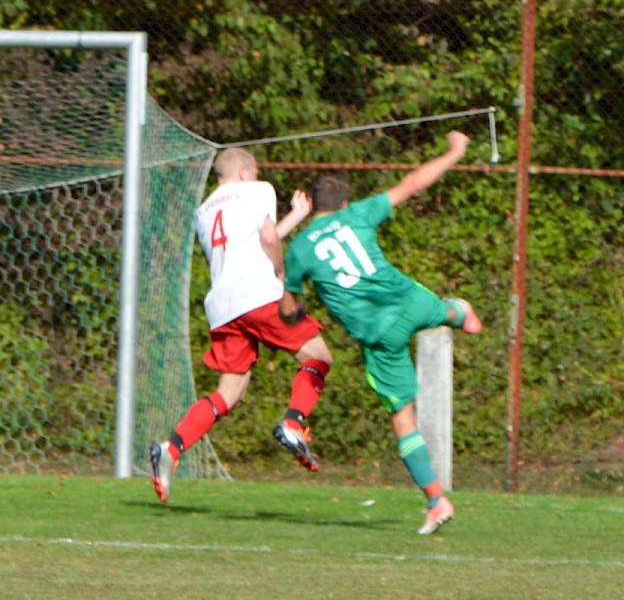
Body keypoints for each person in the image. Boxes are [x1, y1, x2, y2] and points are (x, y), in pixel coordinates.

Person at [281, 130, 482, 535]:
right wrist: (455, 151)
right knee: (438, 310)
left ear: (312, 207)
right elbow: (413, 183)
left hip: (380, 336)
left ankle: (436, 500)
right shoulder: (358, 214)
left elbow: (288, 306)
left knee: (403, 420)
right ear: (344, 204)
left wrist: (293, 313)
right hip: (410, 300)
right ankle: (459, 313)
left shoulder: (300, 248)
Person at [149, 147, 334, 505]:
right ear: (246, 172)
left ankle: (170, 448)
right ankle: (294, 423)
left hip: (223, 307)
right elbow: (268, 240)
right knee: (318, 357)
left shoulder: (203, 211)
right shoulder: (258, 189)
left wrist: (295, 216)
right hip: (259, 295)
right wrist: (280, 273)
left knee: (228, 393)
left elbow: (250, 245)